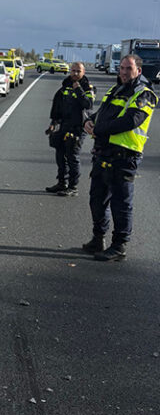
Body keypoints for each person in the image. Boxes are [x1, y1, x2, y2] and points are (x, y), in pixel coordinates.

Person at [82, 54, 157, 261]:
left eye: (128, 69)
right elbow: (102, 114)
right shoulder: (115, 89)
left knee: (121, 204)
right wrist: (88, 122)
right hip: (103, 154)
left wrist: (98, 129)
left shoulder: (145, 94)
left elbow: (130, 121)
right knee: (96, 200)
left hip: (124, 157)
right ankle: (98, 238)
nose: (124, 72)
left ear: (138, 71)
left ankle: (119, 246)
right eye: (122, 68)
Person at [44, 62, 94, 196]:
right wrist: (53, 122)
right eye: (73, 71)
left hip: (78, 127)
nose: (75, 73)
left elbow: (88, 104)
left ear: (83, 72)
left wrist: (78, 90)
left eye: (78, 71)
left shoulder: (87, 87)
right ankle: (62, 183)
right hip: (64, 125)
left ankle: (73, 187)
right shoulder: (65, 85)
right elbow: (58, 106)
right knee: (60, 154)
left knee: (72, 156)